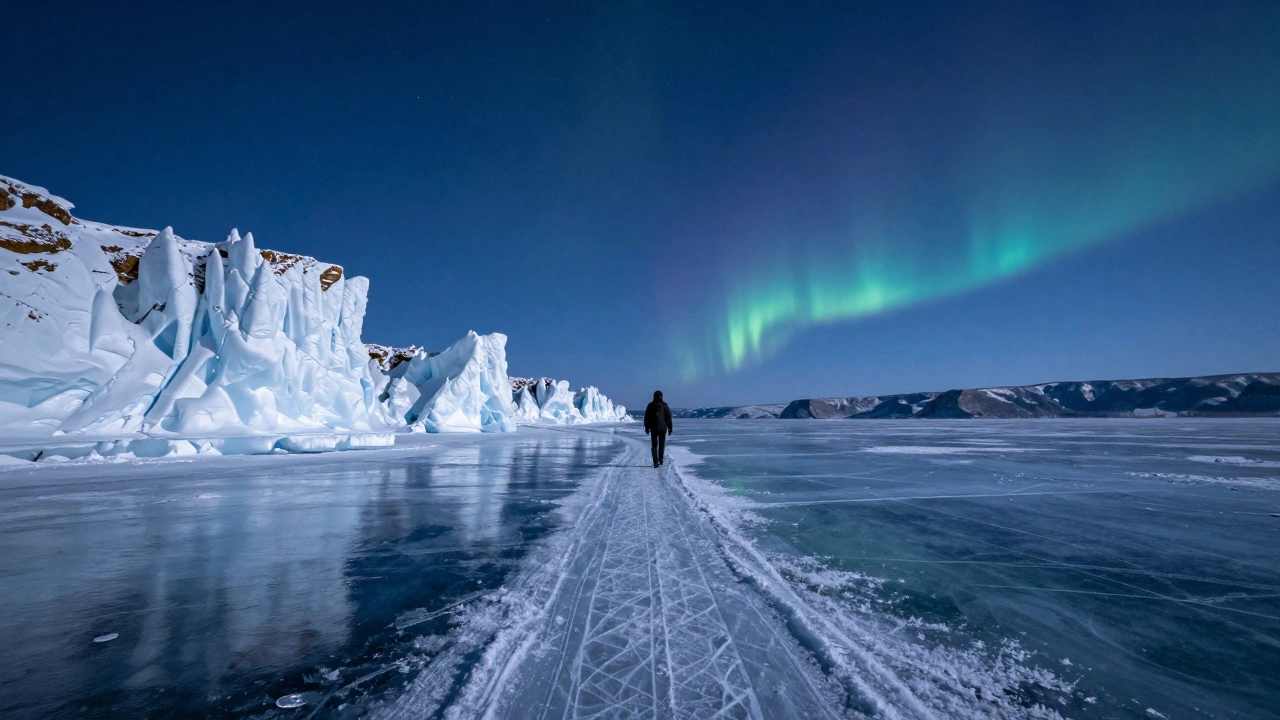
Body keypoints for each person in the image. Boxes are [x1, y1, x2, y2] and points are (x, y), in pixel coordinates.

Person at [643, 390, 673, 468]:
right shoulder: (664, 405)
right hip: (663, 428)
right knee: (662, 444)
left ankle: (655, 462)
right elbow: (668, 418)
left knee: (654, 445)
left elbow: (647, 418)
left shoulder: (650, 405)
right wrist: (670, 428)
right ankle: (661, 460)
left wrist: (646, 427)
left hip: (654, 428)